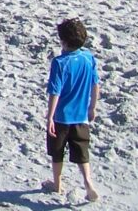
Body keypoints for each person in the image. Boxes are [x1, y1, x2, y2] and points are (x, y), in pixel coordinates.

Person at [42, 18, 101, 202]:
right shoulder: (88, 58)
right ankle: (89, 184)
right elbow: (95, 84)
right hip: (81, 117)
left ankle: (57, 184)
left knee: (57, 153)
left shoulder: (59, 63)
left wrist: (50, 117)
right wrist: (93, 107)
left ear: (64, 41)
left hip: (61, 118)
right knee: (82, 153)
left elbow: (55, 92)